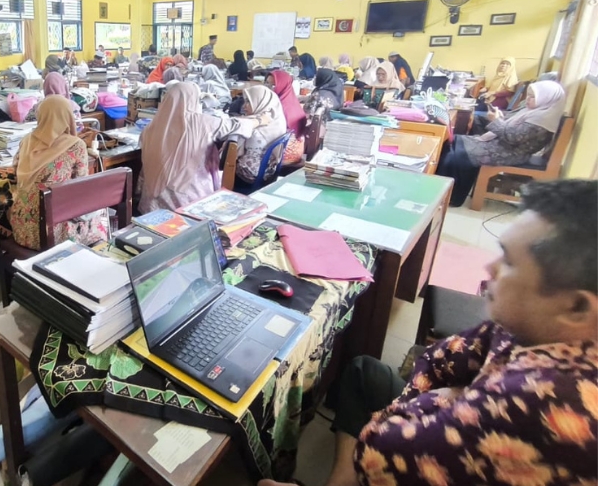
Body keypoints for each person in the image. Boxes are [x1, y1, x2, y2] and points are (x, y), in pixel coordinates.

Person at [263, 178, 598, 486]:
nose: (489, 268)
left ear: (577, 308)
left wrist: (433, 403)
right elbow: (447, 355)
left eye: (509, 262)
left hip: (403, 456)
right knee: (364, 371)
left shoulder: (552, 405)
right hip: (441, 425)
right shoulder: (537, 326)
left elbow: (382, 450)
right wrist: (446, 398)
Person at [438, 80, 566, 207]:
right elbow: (511, 124)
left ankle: (452, 197)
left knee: (455, 155)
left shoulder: (541, 119)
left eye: (533, 97)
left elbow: (512, 137)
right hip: (503, 146)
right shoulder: (535, 111)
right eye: (528, 95)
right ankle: (444, 190)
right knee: (453, 140)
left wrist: (496, 120)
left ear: (547, 99)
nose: (528, 99)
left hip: (510, 153)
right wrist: (499, 117)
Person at [139, 82, 263, 213]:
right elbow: (234, 125)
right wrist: (259, 121)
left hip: (150, 207)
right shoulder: (202, 123)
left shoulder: (149, 128)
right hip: (186, 207)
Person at [9, 96, 107, 250]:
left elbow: (14, 171)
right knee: (97, 222)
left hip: (22, 227)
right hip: (52, 232)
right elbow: (81, 186)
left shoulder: (26, 140)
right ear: (67, 116)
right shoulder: (76, 146)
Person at [235, 86, 288, 188]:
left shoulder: (255, 127)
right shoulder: (274, 116)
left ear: (260, 102)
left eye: (248, 102)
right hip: (269, 168)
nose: (244, 106)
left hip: (253, 171)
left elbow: (237, 151)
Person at [266, 71, 307, 164]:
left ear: (282, 85)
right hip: (296, 150)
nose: (268, 88)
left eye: (273, 85)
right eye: (267, 84)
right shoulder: (290, 100)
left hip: (286, 154)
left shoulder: (280, 106)